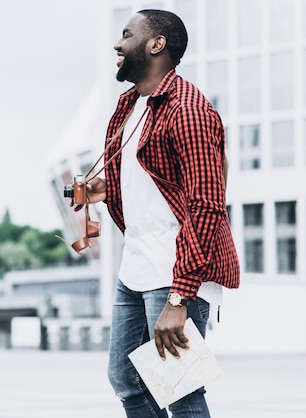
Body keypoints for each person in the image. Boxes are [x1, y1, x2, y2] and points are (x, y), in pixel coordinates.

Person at [83, 9, 240, 418]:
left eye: (127, 34)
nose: (117, 44)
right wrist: (106, 190)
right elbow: (154, 180)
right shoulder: (130, 106)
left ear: (156, 44)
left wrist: (180, 297)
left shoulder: (188, 108)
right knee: (128, 382)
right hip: (135, 267)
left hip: (177, 272)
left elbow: (206, 206)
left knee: (180, 389)